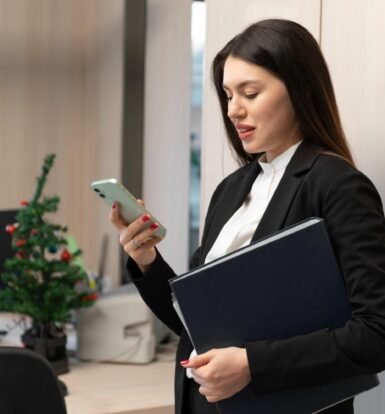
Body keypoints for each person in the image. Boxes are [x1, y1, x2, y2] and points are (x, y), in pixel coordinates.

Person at [110, 19, 385, 414]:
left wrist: (252, 365)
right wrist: (146, 261)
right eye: (226, 94)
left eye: (250, 93)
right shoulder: (231, 190)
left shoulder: (338, 186)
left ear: (300, 89)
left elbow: (375, 335)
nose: (233, 110)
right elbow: (196, 327)